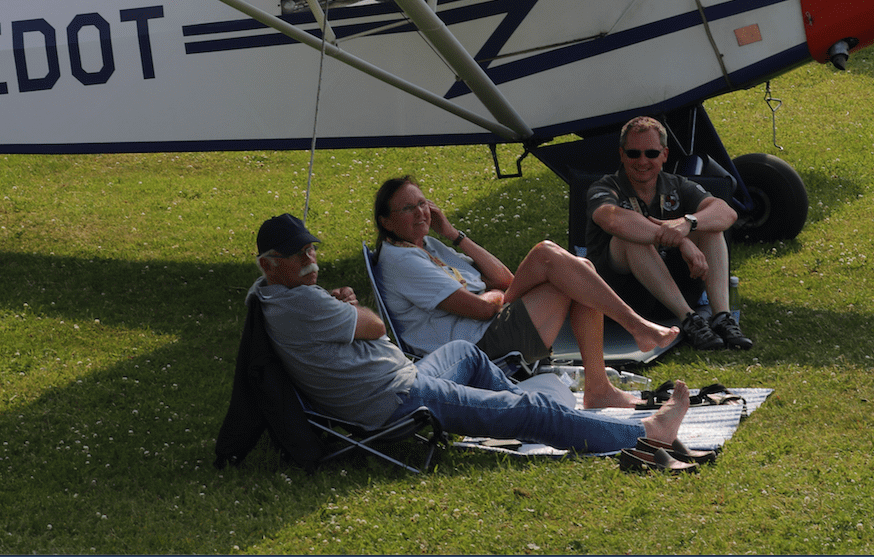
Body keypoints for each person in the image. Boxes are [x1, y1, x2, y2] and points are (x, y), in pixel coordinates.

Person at [251, 213, 694, 461]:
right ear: (269, 264)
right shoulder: (302, 302)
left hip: (402, 376)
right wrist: (349, 307)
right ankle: (645, 435)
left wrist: (340, 304)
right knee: (526, 408)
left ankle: (519, 415)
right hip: (397, 399)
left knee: (465, 355)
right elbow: (374, 326)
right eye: (297, 255)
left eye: (311, 250)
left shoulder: (273, 294)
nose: (310, 261)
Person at [371, 177, 679, 409]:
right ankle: (634, 329)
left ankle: (599, 387)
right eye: (408, 208)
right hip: (475, 347)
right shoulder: (402, 261)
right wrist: (494, 299)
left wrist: (454, 234)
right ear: (386, 221)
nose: (421, 213)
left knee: (580, 268)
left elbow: (503, 279)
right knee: (550, 257)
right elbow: (482, 308)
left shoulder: (427, 245)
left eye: (423, 203)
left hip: (489, 325)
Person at [586, 116, 752, 352]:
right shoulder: (605, 187)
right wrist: (680, 240)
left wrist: (687, 223)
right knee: (632, 238)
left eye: (651, 154)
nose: (642, 161)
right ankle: (690, 320)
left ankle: (722, 317)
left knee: (710, 227)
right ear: (622, 155)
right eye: (634, 154)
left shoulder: (676, 184)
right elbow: (611, 219)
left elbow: (726, 212)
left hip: (671, 295)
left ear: (664, 155)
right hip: (623, 303)